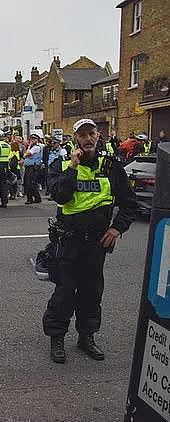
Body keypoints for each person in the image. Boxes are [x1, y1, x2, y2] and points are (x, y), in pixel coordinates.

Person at [43, 119, 138, 364]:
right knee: (65, 291)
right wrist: (73, 168)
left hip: (97, 243)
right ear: (75, 138)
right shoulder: (61, 164)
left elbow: (129, 204)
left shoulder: (111, 167)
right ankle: (57, 339)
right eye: (82, 134)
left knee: (92, 291)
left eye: (91, 133)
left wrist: (117, 228)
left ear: (98, 136)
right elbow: (61, 195)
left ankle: (87, 337)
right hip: (68, 241)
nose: (87, 138)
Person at [23, 133, 43, 204]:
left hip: (33, 168)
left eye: (34, 139)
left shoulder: (36, 147)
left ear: (37, 140)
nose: (32, 141)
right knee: (30, 183)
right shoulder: (32, 147)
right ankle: (37, 198)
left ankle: (30, 199)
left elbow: (26, 154)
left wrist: (29, 146)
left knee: (30, 183)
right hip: (29, 167)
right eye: (31, 139)